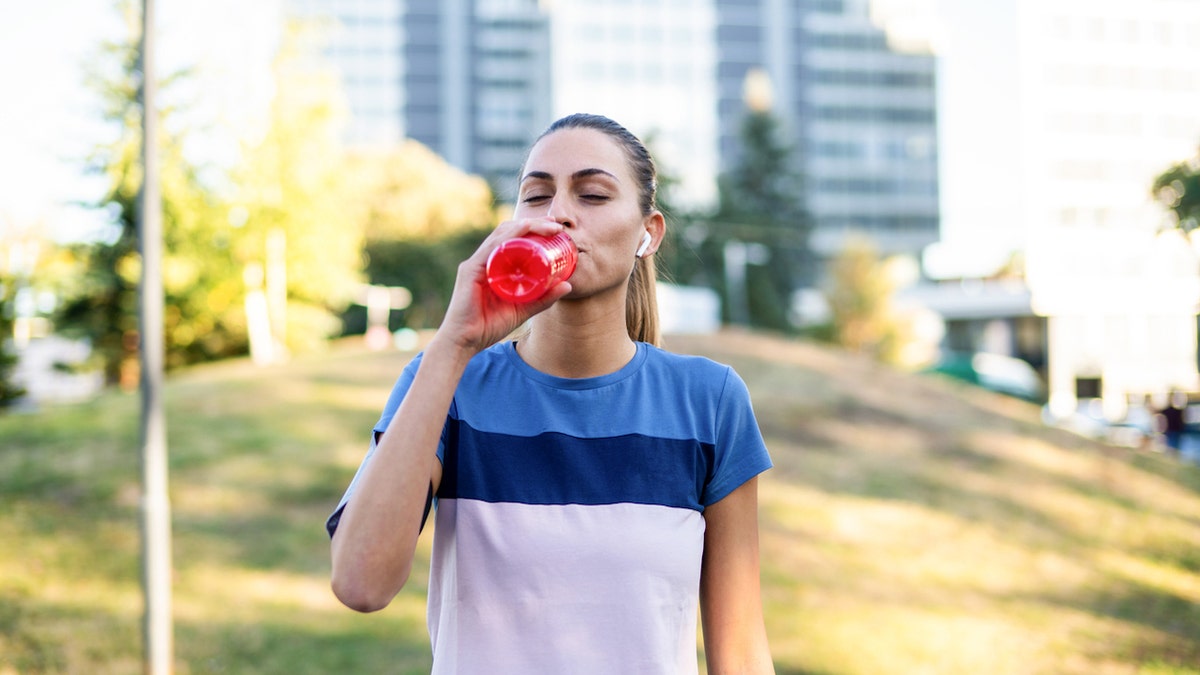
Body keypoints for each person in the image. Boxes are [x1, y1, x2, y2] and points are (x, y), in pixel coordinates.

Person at [326, 113, 775, 674]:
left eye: (591, 194)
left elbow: (740, 654)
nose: (558, 214)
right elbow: (360, 582)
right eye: (536, 196)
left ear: (648, 232)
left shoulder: (709, 401)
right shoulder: (448, 384)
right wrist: (453, 345)